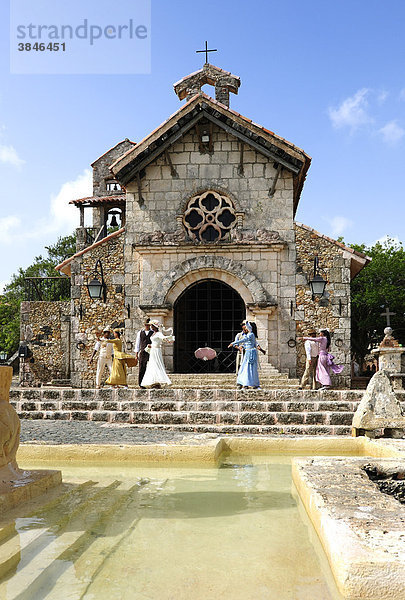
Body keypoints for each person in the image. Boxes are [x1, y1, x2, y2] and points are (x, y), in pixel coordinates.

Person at [141, 320, 175, 388]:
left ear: (155, 326)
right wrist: (150, 345)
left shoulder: (159, 333)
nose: (151, 327)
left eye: (152, 326)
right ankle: (154, 381)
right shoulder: (153, 333)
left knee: (157, 364)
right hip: (153, 350)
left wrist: (169, 339)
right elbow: (155, 341)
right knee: (152, 365)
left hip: (156, 351)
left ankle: (160, 380)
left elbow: (163, 338)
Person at [229, 321, 260, 389]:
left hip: (250, 353)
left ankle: (249, 383)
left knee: (248, 368)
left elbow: (245, 340)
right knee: (245, 368)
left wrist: (233, 343)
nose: (245, 328)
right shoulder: (250, 334)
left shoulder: (250, 334)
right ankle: (244, 383)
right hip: (248, 353)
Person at [135, 318, 153, 388]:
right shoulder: (140, 333)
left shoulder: (152, 333)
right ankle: (141, 383)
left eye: (148, 325)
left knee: (150, 368)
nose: (147, 326)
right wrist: (136, 354)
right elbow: (137, 344)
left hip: (150, 352)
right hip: (142, 352)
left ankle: (150, 383)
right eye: (146, 325)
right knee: (141, 368)